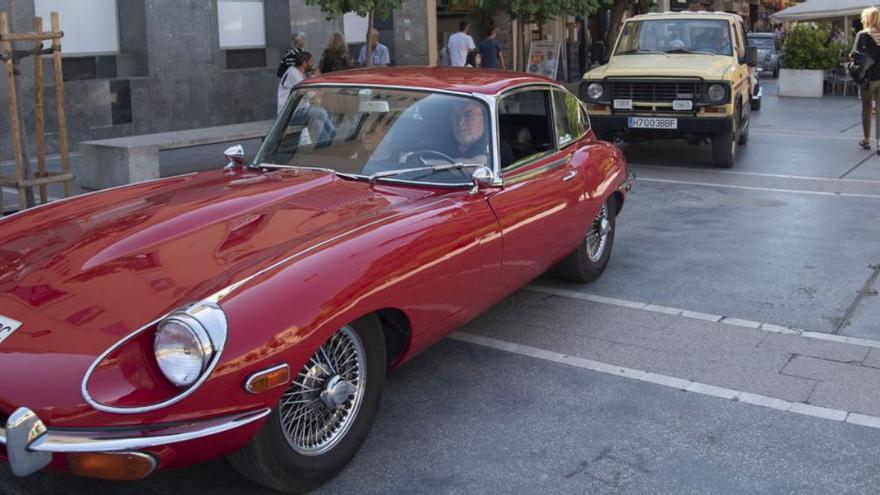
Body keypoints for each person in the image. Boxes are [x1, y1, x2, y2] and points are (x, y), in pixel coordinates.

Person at [853, 7, 880, 152]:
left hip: (868, 79)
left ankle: (867, 140)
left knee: (867, 109)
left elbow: (853, 55)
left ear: (866, 19)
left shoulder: (862, 35)